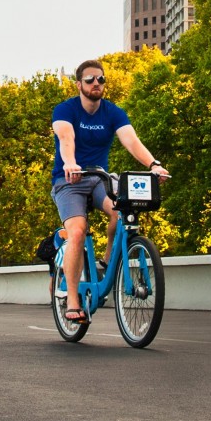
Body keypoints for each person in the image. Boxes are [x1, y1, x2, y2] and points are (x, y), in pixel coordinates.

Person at [51, 58, 168, 325]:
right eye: (90, 79)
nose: (96, 83)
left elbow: (131, 140)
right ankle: (72, 300)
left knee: (122, 212)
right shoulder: (65, 109)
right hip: (69, 180)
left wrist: (154, 164)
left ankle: (105, 263)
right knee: (78, 231)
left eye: (100, 79)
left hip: (99, 180)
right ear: (79, 84)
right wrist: (70, 163)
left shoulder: (113, 112)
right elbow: (66, 138)